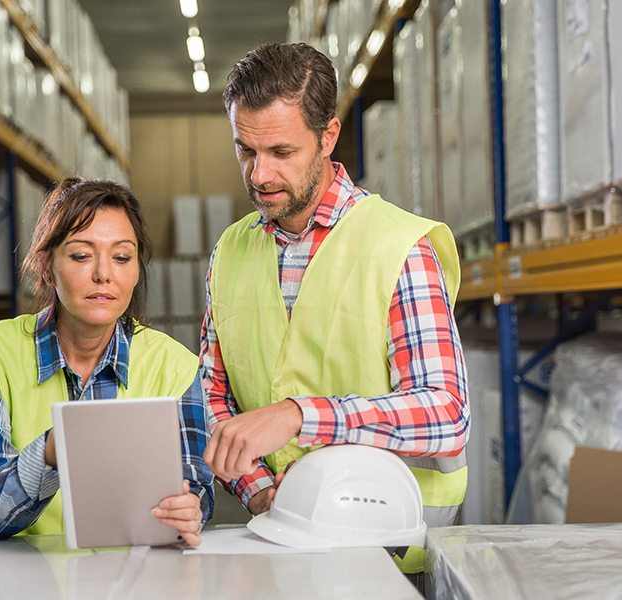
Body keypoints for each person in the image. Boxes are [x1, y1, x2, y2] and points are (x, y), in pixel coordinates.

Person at [200, 43, 470, 575]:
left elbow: (446, 413)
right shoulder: (230, 250)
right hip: (280, 531)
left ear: (328, 136)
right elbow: (212, 395)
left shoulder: (399, 245)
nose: (259, 175)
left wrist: (299, 416)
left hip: (393, 546)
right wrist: (259, 490)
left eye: (281, 152)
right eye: (245, 151)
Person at [0, 178, 213, 546]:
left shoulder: (177, 366)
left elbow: (196, 487)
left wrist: (189, 511)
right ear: (47, 266)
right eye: (81, 255)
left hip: (122, 577)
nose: (103, 274)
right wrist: (52, 450)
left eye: (122, 257)